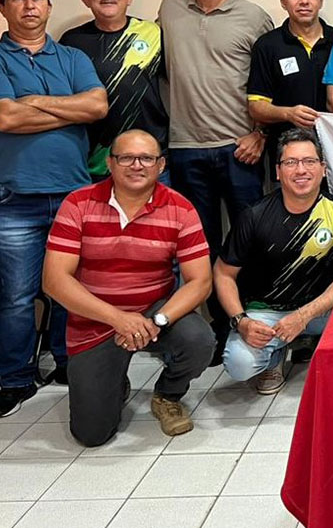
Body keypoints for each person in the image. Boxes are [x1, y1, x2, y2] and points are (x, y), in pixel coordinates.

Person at [0, 0, 109, 418]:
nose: (29, 6)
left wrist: (30, 101)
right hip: (14, 200)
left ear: (48, 6)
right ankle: (15, 379)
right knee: (15, 294)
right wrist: (67, 110)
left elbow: (98, 106)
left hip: (73, 194)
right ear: (3, 8)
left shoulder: (70, 56)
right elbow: (4, 118)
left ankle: (67, 362)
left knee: (71, 287)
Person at [42, 130, 216, 445]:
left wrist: (155, 321)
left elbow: (200, 281)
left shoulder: (180, 208)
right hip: (94, 319)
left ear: (161, 165)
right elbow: (54, 281)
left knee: (200, 340)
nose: (137, 165)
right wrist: (118, 319)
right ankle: (114, 383)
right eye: (126, 157)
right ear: (110, 163)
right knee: (91, 435)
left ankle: (168, 394)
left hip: (153, 313)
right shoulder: (78, 204)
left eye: (147, 158)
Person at [158, 0, 274, 360]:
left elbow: (270, 85)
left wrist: (260, 134)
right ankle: (218, 331)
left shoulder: (253, 16)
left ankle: (255, 324)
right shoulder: (169, 8)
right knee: (200, 247)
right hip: (185, 148)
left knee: (249, 244)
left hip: (240, 149)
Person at [214, 128, 333, 394]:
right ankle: (277, 352)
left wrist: (304, 316)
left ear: (323, 169)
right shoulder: (254, 216)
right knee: (239, 364)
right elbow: (223, 274)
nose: (301, 170)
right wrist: (242, 321)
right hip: (269, 312)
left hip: (322, 310)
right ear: (277, 172)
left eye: (309, 162)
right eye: (291, 162)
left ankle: (309, 340)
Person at [59, 0, 168, 180]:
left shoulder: (154, 33)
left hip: (150, 157)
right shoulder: (71, 42)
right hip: (96, 163)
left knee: (154, 215)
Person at [247, 0, 333, 165]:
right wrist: (288, 113)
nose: (304, 1)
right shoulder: (267, 45)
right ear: (283, 1)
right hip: (287, 153)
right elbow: (256, 106)